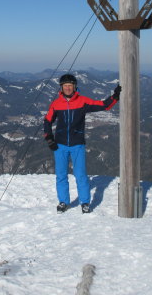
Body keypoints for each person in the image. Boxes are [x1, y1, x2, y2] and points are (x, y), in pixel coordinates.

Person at [44, 73, 121, 214]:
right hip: (60, 145)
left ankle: (84, 203)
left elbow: (104, 105)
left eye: (70, 85)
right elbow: (47, 121)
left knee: (80, 175)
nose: (68, 88)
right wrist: (49, 138)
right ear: (61, 87)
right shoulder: (56, 104)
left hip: (77, 144)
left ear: (74, 87)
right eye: (65, 85)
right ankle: (63, 202)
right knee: (61, 175)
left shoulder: (82, 101)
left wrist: (115, 97)